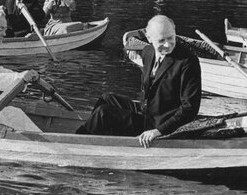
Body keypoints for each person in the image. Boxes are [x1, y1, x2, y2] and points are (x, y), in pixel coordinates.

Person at [75, 15, 202, 147]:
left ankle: (76, 144)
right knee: (106, 98)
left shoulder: (188, 62)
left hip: (159, 123)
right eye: (161, 40)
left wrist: (158, 131)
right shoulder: (148, 52)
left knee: (103, 113)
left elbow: (190, 108)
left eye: (171, 38)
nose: (167, 44)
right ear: (149, 39)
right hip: (146, 111)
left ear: (175, 32)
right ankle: (96, 137)